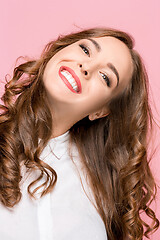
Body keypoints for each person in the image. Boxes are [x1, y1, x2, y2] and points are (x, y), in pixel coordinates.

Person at [0, 27, 159, 240]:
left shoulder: (99, 190)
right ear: (58, 51)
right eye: (85, 50)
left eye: (105, 77)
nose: (86, 67)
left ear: (100, 110)